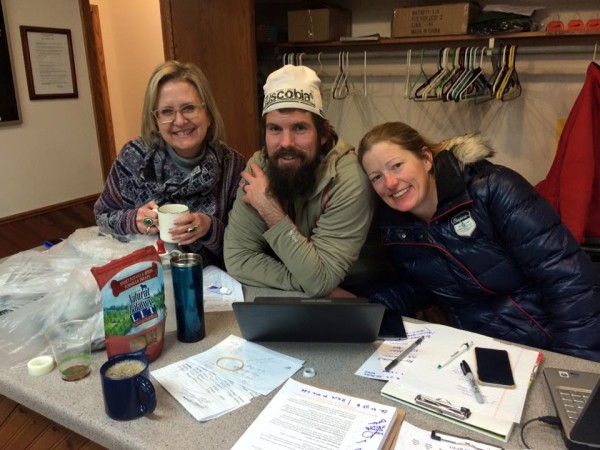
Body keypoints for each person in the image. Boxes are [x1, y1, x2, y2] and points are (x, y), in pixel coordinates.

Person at [357, 121, 600, 362]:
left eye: (397, 166)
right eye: (377, 177)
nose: (390, 183)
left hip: (549, 344)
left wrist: (576, 366)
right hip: (482, 352)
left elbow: (569, 281)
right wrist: (362, 307)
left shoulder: (492, 189)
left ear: (426, 158)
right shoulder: (396, 228)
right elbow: (424, 287)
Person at [223, 64, 374, 297]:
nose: (286, 143)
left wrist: (268, 208)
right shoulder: (259, 166)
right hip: (322, 292)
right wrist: (307, 283)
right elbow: (238, 258)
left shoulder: (350, 178)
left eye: (300, 128)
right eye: (275, 129)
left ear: (323, 134)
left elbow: (321, 279)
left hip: (357, 296)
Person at [94, 61, 246, 268]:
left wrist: (210, 228)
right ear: (156, 121)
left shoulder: (233, 166)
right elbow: (102, 217)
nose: (180, 120)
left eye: (189, 108)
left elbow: (247, 245)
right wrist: (133, 219)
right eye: (167, 112)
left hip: (213, 284)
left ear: (208, 114)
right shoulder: (133, 157)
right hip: (145, 282)